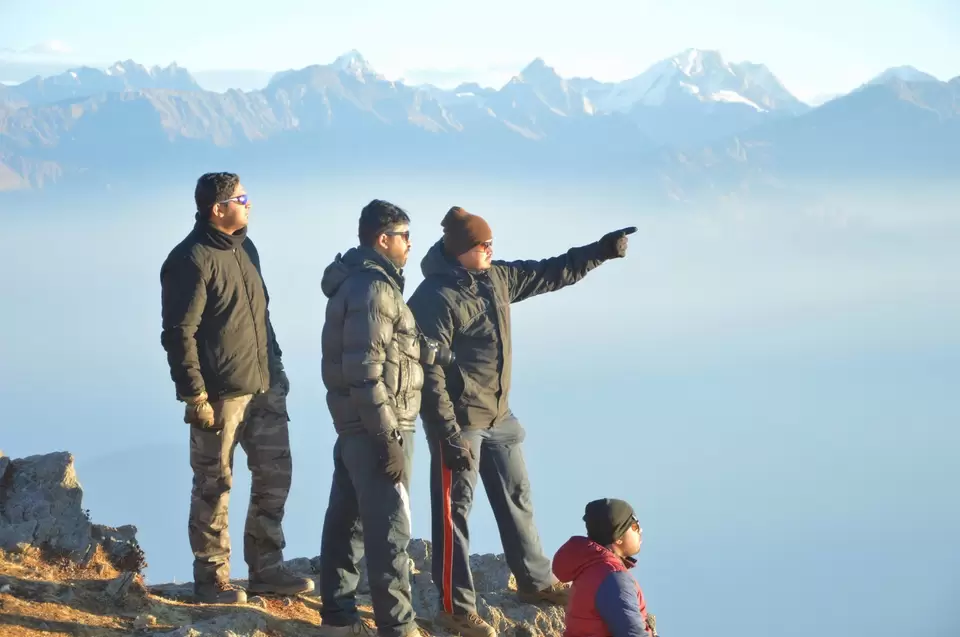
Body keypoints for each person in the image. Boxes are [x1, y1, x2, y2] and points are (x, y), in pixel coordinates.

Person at [407, 206, 636, 637]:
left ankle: (535, 582)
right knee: (455, 512)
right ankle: (455, 610)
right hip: (461, 423)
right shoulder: (433, 299)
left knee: (518, 496)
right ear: (460, 251)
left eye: (492, 243)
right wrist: (446, 431)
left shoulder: (496, 278)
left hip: (500, 416)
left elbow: (549, 272)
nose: (492, 250)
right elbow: (428, 373)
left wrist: (599, 252)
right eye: (483, 245)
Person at [159, 172, 313, 604]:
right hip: (220, 395)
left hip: (264, 388)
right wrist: (195, 396)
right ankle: (212, 581)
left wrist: (276, 368)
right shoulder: (190, 260)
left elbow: (262, 317)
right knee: (214, 484)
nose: (250, 204)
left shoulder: (247, 250)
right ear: (218, 208)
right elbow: (178, 333)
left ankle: (266, 569)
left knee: (274, 475)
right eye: (242, 198)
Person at [317, 199, 428, 637]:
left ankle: (339, 618)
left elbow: (375, 355)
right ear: (382, 239)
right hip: (380, 428)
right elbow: (365, 373)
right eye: (404, 236)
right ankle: (397, 628)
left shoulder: (359, 284)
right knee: (390, 531)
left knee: (346, 523)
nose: (409, 244)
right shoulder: (375, 290)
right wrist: (389, 440)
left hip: (353, 428)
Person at [552, 499, 656, 637]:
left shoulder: (591, 569)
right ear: (618, 538)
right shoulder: (614, 578)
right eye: (635, 526)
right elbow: (632, 633)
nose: (640, 530)